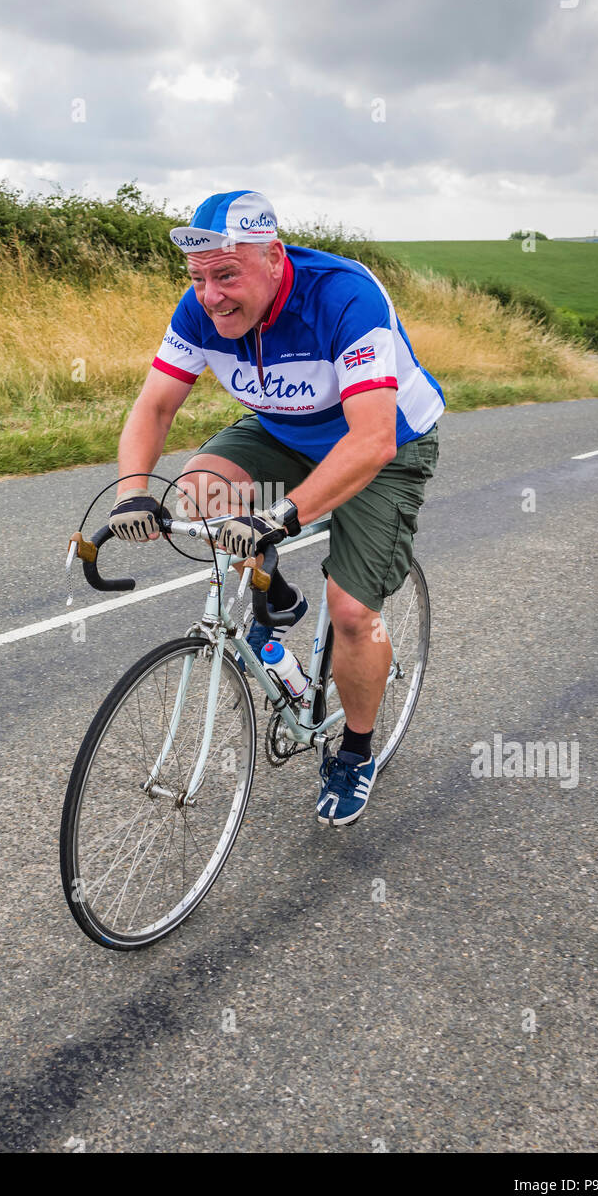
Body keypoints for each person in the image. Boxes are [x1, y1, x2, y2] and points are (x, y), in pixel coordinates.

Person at [108, 191, 443, 828]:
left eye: (227, 274)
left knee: (350, 611)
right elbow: (154, 408)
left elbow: (369, 439)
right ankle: (276, 595)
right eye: (199, 278)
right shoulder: (201, 308)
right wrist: (132, 493)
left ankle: (355, 750)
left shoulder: (343, 296)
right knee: (201, 490)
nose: (211, 295)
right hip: (285, 430)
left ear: (273, 258)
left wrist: (280, 516)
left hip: (384, 444)